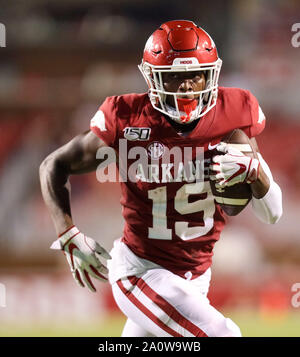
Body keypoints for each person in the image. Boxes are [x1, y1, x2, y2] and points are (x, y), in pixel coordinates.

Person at [39, 20, 283, 337]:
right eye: (175, 76)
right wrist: (68, 233)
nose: (186, 86)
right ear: (153, 78)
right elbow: (53, 165)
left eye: (195, 75)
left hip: (196, 277)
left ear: (211, 75)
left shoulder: (234, 115)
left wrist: (255, 170)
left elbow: (273, 213)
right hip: (141, 271)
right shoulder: (126, 118)